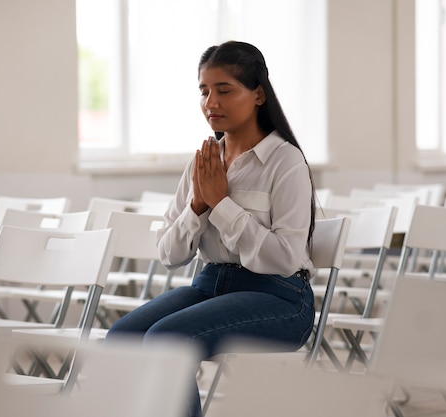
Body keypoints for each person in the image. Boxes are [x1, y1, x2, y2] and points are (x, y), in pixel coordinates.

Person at [106, 40, 317, 417]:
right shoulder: (203, 162)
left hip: (280, 298)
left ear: (258, 95)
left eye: (224, 90)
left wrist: (221, 205)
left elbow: (285, 259)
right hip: (210, 284)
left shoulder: (285, 161)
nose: (211, 103)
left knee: (167, 340)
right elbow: (169, 254)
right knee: (121, 338)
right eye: (204, 91)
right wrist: (199, 205)